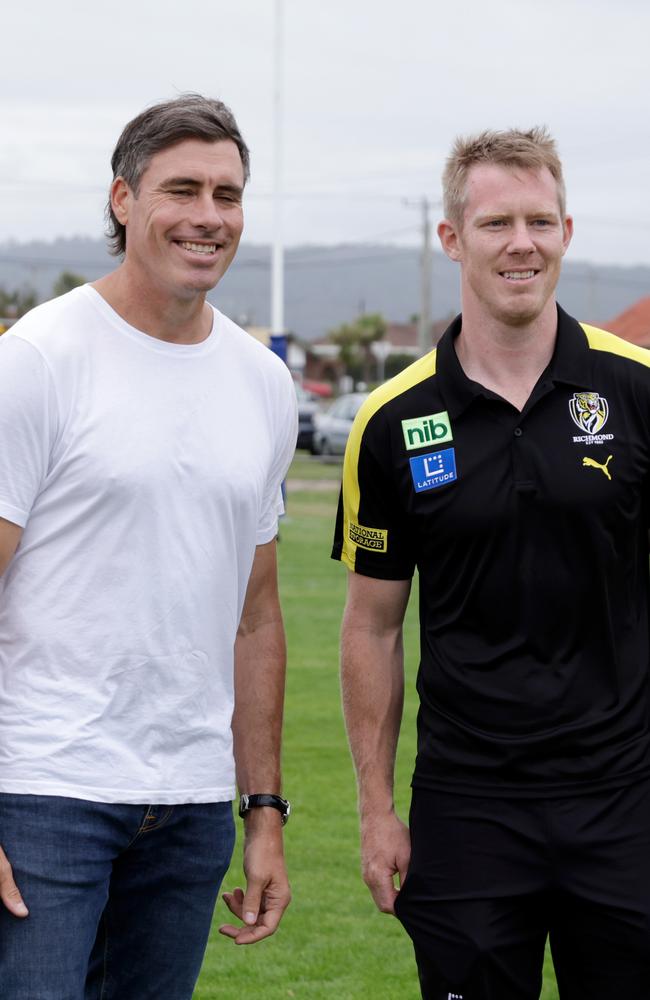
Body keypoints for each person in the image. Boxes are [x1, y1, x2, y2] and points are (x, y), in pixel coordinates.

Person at [333, 127, 650, 999]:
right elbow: (370, 625)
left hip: (626, 802)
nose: (522, 243)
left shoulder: (636, 390)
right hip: (468, 812)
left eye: (540, 222)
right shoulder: (393, 420)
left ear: (567, 232)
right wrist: (376, 812)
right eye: (497, 222)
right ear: (451, 239)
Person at [0, 94, 297, 999]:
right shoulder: (40, 357)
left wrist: (264, 813)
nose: (210, 217)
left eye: (229, 195)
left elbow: (255, 617)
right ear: (124, 199)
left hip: (192, 806)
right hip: (44, 790)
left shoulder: (264, 383)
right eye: (183, 190)